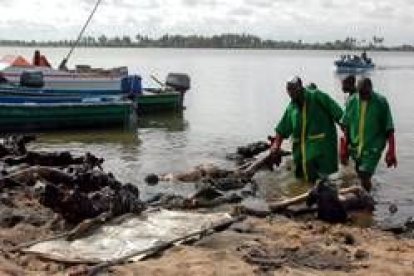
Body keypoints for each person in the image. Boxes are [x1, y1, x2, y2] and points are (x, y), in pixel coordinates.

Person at [270, 77, 343, 183]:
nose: (291, 93)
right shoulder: (292, 107)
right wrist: (276, 145)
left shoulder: (317, 97)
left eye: (293, 89)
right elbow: (282, 129)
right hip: (300, 155)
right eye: (288, 90)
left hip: (321, 153)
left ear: (300, 87)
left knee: (322, 184)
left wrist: (347, 138)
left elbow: (340, 116)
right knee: (302, 183)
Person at [340, 77, 397, 191]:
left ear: (371, 89)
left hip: (373, 147)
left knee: (365, 173)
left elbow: (389, 128)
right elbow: (346, 125)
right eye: (361, 94)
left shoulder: (381, 102)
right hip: (355, 146)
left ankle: (367, 201)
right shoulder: (352, 101)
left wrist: (391, 151)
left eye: (366, 93)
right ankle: (366, 194)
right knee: (360, 173)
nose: (364, 97)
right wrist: (344, 147)